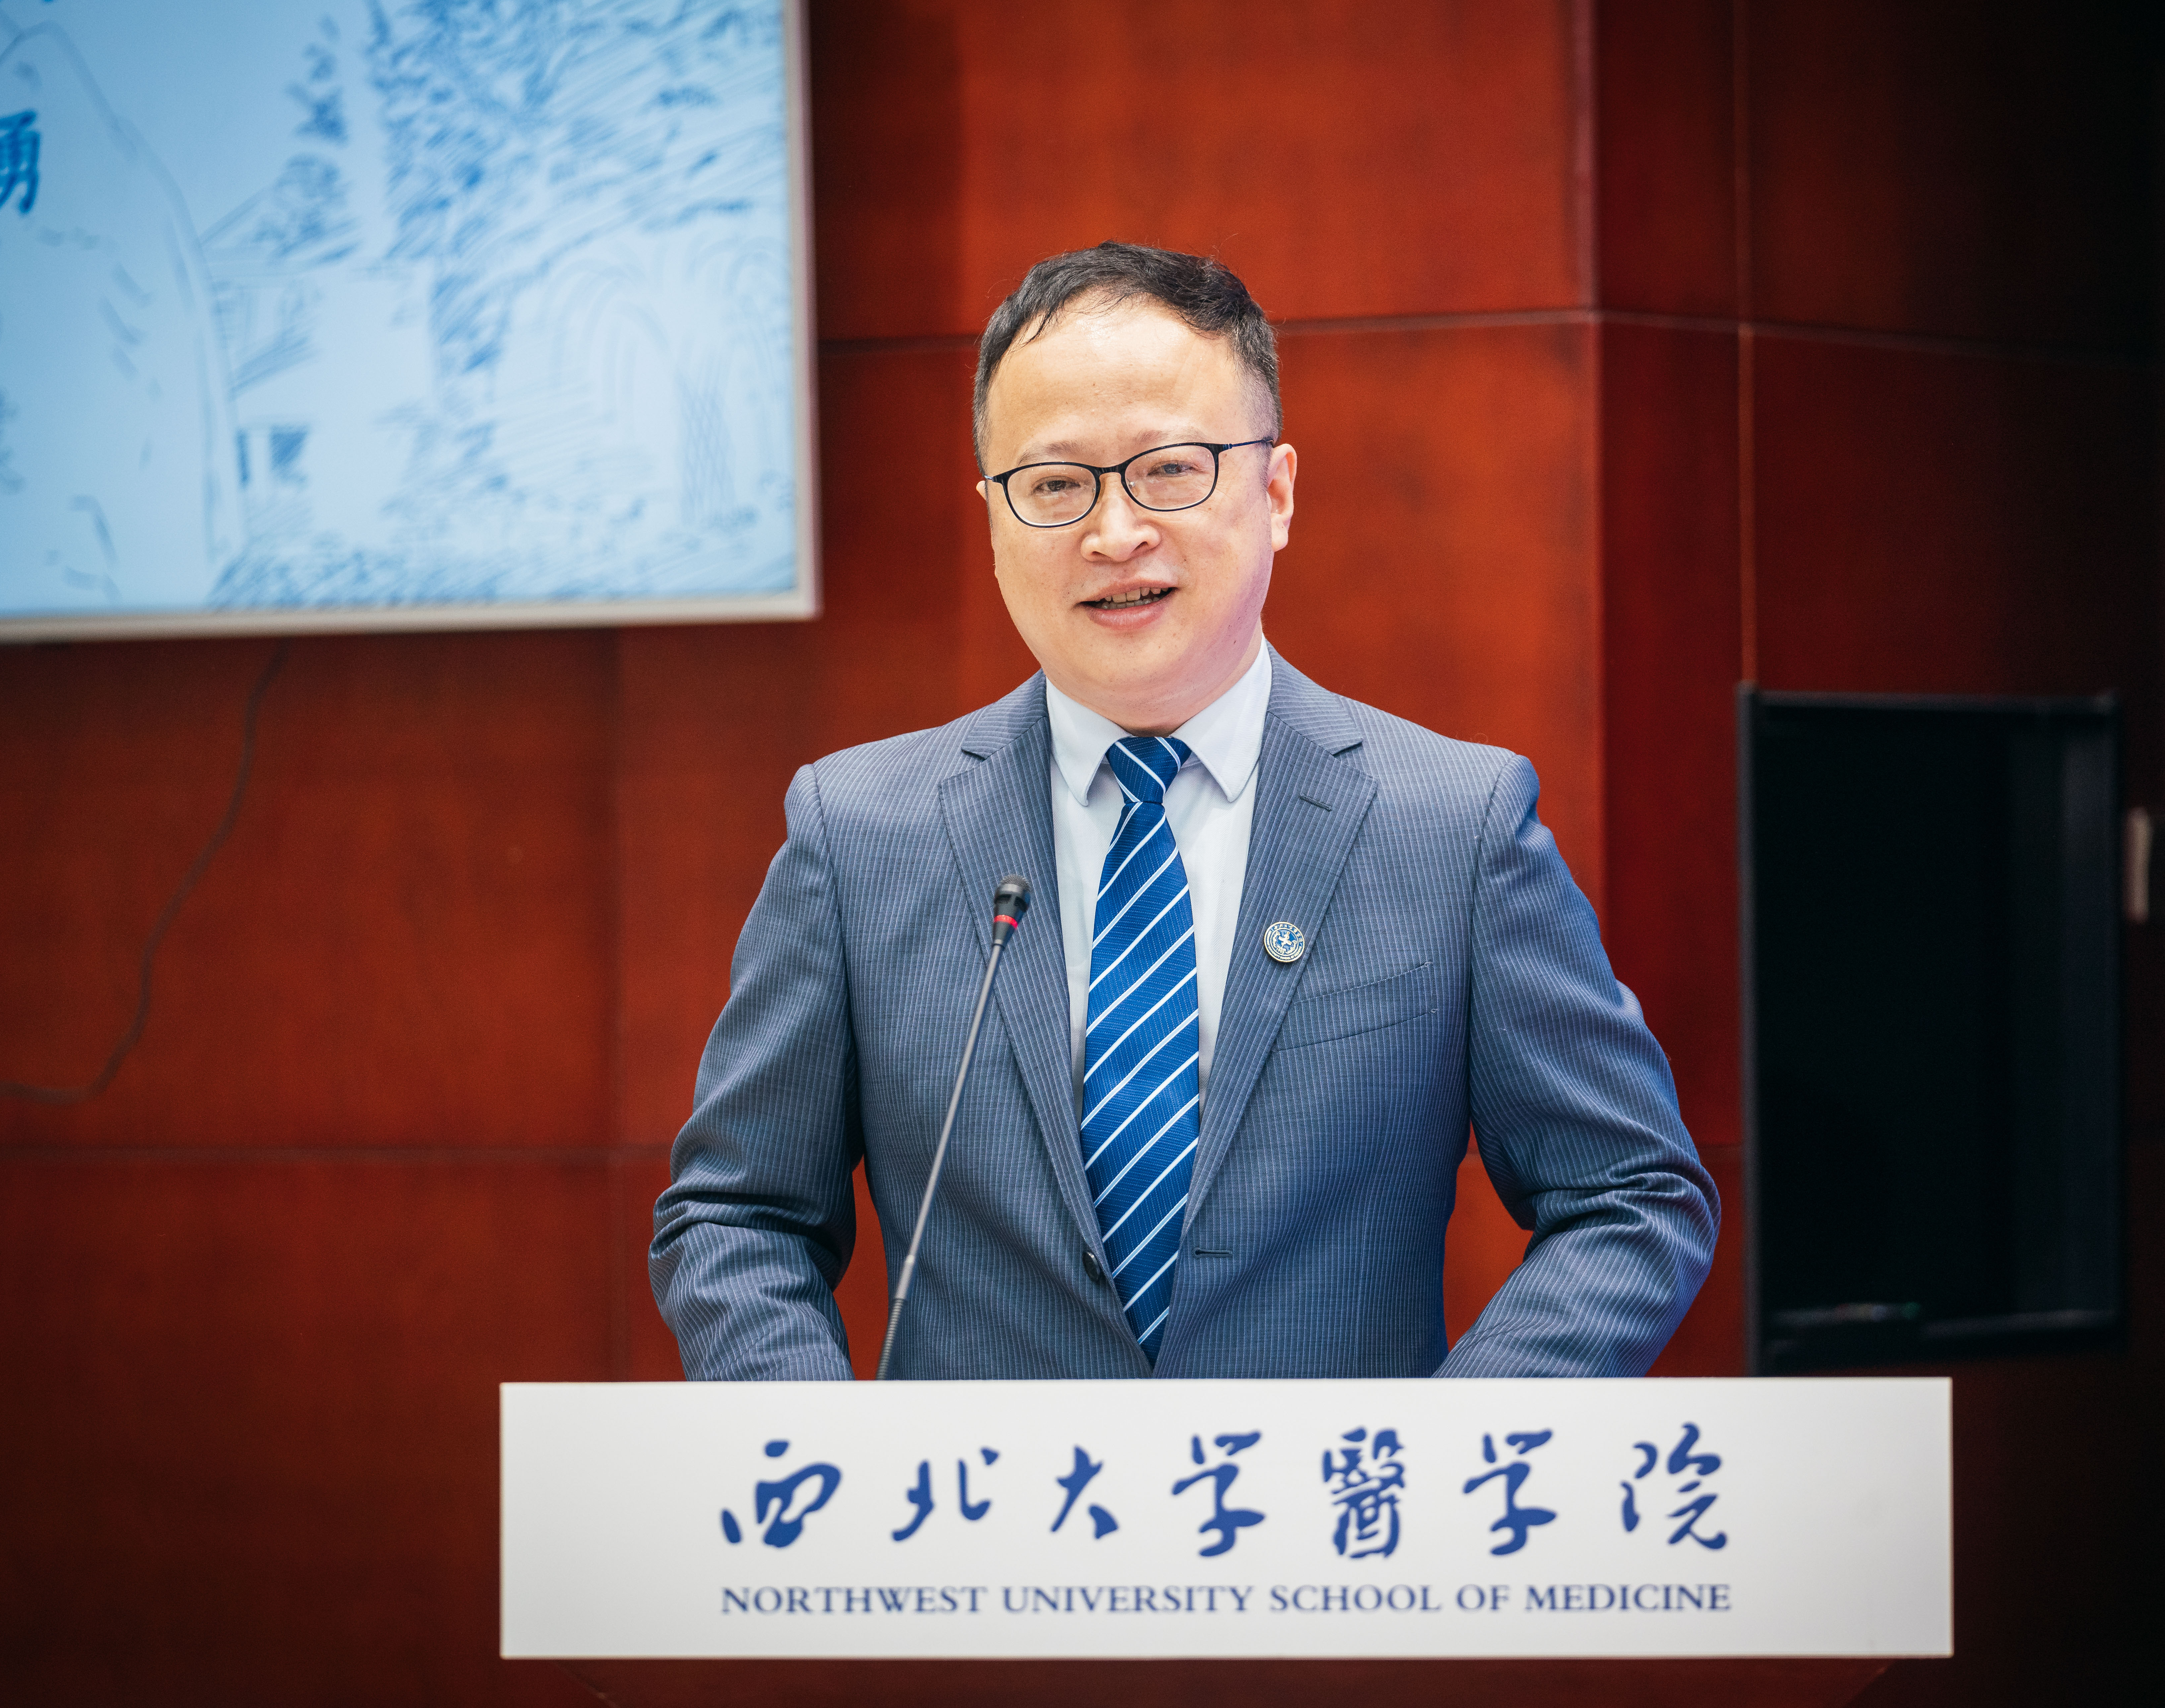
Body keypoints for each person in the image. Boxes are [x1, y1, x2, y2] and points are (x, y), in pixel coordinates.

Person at [652, 241, 1716, 1381]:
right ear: (994, 520)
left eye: (1169, 469)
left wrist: (1448, 1448)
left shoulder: (1451, 827)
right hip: (981, 1500)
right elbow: (737, 1217)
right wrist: (826, 1450)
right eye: (1054, 485)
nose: (1114, 532)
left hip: (1334, 1496)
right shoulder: (860, 833)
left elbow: (1629, 1195)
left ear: (1277, 492)